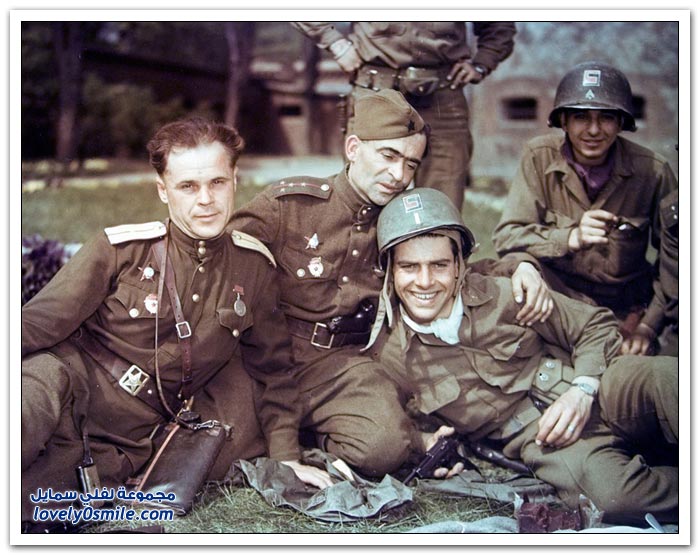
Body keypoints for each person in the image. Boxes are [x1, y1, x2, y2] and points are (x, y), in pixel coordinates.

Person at [21, 118, 330, 532]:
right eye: (188, 186)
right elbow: (36, 324)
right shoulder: (122, 251)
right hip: (65, 392)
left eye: (217, 182)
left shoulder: (253, 268)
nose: (206, 200)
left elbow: (274, 370)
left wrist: (287, 456)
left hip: (128, 440)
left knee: (32, 503)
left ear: (235, 180)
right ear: (163, 190)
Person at [232, 89, 551, 478]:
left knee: (385, 448)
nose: (399, 175)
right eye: (388, 155)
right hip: (265, 359)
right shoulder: (290, 206)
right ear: (353, 148)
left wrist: (520, 265)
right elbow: (222, 255)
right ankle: (296, 432)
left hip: (340, 365)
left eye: (410, 163)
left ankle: (318, 436)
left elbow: (452, 269)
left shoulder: (402, 223)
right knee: (223, 442)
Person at [366, 187, 678, 526]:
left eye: (439, 265)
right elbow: (387, 425)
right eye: (409, 267)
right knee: (613, 497)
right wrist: (422, 441)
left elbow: (595, 325)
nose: (424, 282)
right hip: (547, 441)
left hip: (598, 386)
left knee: (670, 377)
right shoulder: (394, 357)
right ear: (390, 272)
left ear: (458, 265)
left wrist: (582, 390)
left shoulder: (504, 293)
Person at [492, 61, 678, 355]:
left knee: (635, 370)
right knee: (509, 270)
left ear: (621, 123)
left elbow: (676, 262)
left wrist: (648, 326)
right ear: (563, 121)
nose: (593, 130)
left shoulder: (653, 171)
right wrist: (570, 237)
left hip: (624, 304)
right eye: (581, 117)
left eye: (606, 118)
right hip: (559, 296)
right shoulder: (538, 157)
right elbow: (507, 236)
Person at [291, 22, 517, 211]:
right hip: (375, 87)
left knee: (441, 205)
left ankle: (434, 252)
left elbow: (500, 24)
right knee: (364, 200)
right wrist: (336, 43)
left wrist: (481, 63)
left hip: (442, 95)